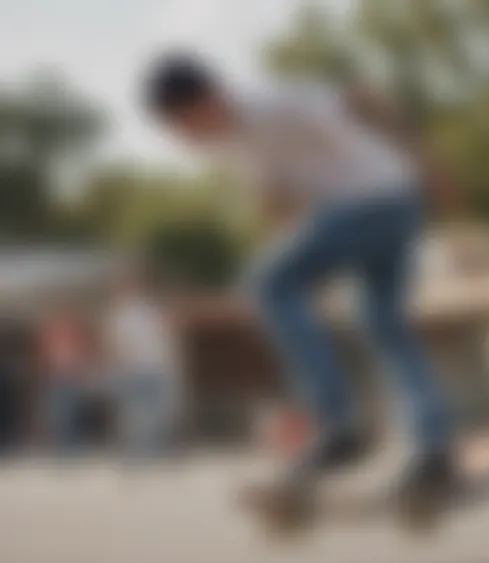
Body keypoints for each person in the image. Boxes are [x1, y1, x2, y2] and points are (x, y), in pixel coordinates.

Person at [142, 52, 457, 514]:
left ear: (204, 101)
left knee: (268, 285)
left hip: (374, 201)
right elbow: (277, 200)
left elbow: (362, 98)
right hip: (391, 204)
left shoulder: (273, 101)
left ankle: (340, 427)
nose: (188, 140)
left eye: (185, 126)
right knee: (384, 325)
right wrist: (295, 250)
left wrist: (428, 160)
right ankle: (434, 455)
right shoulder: (229, 141)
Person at [105, 268, 182, 462]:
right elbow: (115, 344)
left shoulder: (152, 311)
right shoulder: (121, 315)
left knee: (154, 413)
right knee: (136, 415)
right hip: (135, 369)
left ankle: (149, 453)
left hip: (154, 368)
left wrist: (170, 365)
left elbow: (165, 340)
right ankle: (140, 454)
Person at [39, 309, 90, 454]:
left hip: (73, 377)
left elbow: (82, 353)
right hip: (57, 377)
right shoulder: (52, 336)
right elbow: (46, 355)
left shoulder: (76, 336)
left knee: (73, 413)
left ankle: (73, 447)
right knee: (58, 414)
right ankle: (63, 447)